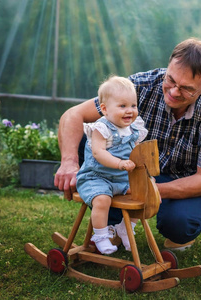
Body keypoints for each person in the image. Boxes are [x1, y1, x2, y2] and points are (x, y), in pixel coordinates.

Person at [55, 37, 201, 251]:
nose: (174, 92)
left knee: (180, 224)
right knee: (92, 138)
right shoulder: (140, 85)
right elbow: (74, 114)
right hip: (130, 170)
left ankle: (176, 232)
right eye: (171, 80)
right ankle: (112, 224)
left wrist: (148, 190)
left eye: (186, 89)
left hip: (179, 179)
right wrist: (69, 162)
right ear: (168, 67)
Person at [75, 75, 148, 254]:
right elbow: (98, 153)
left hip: (121, 179)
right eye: (122, 106)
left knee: (143, 193)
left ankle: (126, 227)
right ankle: (100, 236)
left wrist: (142, 166)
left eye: (133, 105)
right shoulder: (101, 128)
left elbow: (136, 151)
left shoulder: (133, 128)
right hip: (96, 178)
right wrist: (120, 163)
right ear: (105, 109)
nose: (129, 111)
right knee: (102, 199)